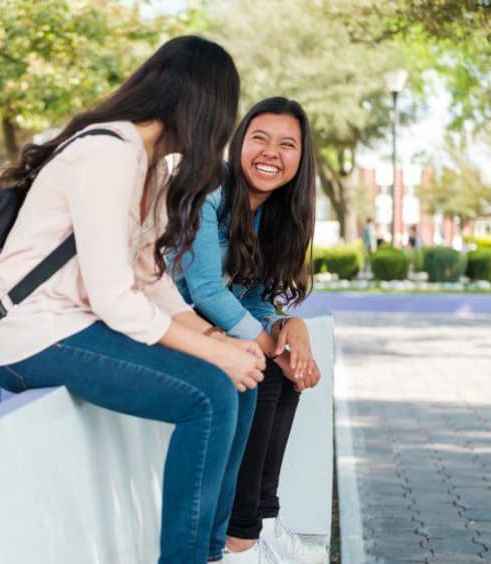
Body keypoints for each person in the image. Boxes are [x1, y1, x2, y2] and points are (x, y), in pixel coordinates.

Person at [0, 36, 267, 564]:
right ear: (204, 105)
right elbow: (115, 299)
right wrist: (212, 353)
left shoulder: (151, 164)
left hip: (76, 327)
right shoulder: (106, 153)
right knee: (210, 395)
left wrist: (219, 339)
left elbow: (149, 279)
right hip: (28, 335)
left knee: (239, 380)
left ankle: (214, 553)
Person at [172, 97, 325, 563]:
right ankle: (239, 543)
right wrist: (269, 343)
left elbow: (254, 301)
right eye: (259, 138)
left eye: (287, 144)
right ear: (239, 142)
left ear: (301, 158)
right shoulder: (209, 189)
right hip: (171, 327)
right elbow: (202, 290)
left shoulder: (275, 215)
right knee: (261, 367)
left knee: (285, 373)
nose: (270, 153)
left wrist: (286, 330)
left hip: (211, 333)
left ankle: (262, 523)